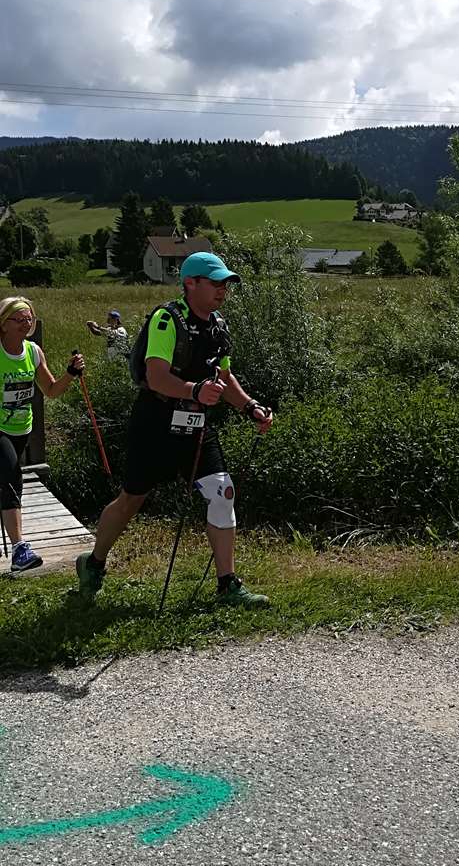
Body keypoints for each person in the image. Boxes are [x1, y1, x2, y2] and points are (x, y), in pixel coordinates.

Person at [76, 252, 273, 605]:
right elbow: (156, 376)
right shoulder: (167, 320)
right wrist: (194, 390)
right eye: (215, 283)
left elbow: (224, 377)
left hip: (196, 425)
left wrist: (250, 406)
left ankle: (227, 584)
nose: (222, 290)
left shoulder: (218, 326)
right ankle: (93, 563)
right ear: (190, 284)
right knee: (130, 500)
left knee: (222, 492)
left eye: (225, 284)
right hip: (155, 421)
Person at [0, 296, 85, 572]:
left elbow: (51, 390)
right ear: (4, 324)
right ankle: (19, 550)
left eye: (29, 319)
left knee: (10, 483)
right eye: (20, 319)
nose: (26, 324)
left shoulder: (33, 352)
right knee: (11, 477)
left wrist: (70, 373)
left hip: (21, 427)